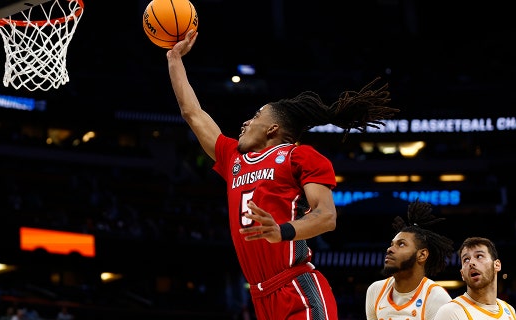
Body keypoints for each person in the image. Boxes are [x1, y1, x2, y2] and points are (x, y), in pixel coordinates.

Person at [166, 29, 399, 320]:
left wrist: (282, 231)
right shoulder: (234, 159)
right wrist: (174, 58)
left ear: (272, 129)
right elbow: (193, 113)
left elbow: (326, 216)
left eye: (255, 116)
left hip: (296, 288)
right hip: (260, 297)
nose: (245, 122)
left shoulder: (299, 156)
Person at [365, 199, 454, 320]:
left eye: (401, 244)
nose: (390, 249)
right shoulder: (375, 290)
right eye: (392, 244)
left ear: (422, 255)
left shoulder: (436, 297)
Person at [434, 237, 516, 320]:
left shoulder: (509, 310)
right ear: (462, 274)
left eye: (479, 256)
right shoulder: (450, 312)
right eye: (466, 259)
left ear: (497, 265)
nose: (471, 263)